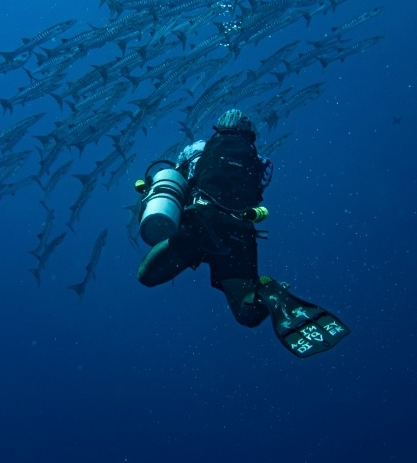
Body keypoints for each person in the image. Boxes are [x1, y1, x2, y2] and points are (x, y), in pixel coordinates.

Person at [135, 109, 350, 358]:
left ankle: (255, 285)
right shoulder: (261, 162)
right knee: (245, 313)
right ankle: (269, 292)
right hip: (240, 233)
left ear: (219, 128)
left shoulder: (197, 149)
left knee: (146, 276)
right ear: (249, 133)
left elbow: (178, 184)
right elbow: (257, 192)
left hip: (201, 224)